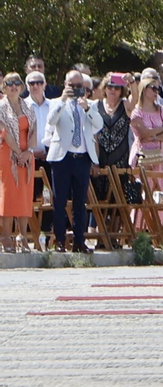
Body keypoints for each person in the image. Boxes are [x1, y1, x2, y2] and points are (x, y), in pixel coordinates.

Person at [45, 72, 101, 252]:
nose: (76, 90)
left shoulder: (90, 104)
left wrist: (86, 108)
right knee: (59, 201)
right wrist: (62, 100)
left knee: (79, 203)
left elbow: (98, 125)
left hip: (82, 158)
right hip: (63, 157)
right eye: (72, 86)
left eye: (80, 87)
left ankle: (79, 241)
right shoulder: (56, 102)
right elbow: (51, 121)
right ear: (65, 84)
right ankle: (60, 240)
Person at [90, 73, 132, 237]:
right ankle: (100, 236)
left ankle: (114, 237)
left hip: (120, 158)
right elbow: (93, 136)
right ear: (104, 88)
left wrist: (132, 83)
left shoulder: (125, 105)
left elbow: (135, 102)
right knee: (99, 200)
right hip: (100, 158)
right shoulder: (95, 106)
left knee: (118, 200)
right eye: (110, 86)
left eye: (117, 87)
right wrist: (94, 160)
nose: (113, 90)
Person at [128, 73, 163, 219]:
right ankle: (138, 229)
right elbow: (143, 134)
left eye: (158, 89)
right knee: (141, 193)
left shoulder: (162, 110)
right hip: (142, 156)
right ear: (144, 90)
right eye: (153, 88)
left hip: (160, 155)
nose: (156, 92)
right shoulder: (136, 112)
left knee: (161, 192)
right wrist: (160, 130)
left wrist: (153, 134)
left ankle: (158, 229)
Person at [0, 73, 33, 252]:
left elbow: (33, 130)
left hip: (27, 157)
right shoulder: (1, 107)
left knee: (24, 196)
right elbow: (4, 132)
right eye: (9, 83)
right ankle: (5, 236)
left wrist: (28, 152)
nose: (14, 86)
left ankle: (23, 236)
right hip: (8, 154)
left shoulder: (27, 106)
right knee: (9, 194)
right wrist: (19, 153)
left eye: (17, 83)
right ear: (3, 87)